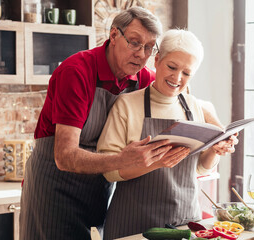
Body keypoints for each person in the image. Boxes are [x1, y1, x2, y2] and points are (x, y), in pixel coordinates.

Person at [19, 7, 191, 240]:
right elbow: (64, 156)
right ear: (113, 35)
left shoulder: (143, 78)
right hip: (54, 188)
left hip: (99, 189)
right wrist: (122, 159)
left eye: (150, 47)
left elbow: (184, 99)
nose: (141, 54)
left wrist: (217, 134)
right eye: (134, 42)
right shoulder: (77, 71)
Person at [97, 29, 238, 239]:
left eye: (187, 73)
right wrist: (154, 163)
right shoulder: (126, 105)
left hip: (185, 222)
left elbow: (199, 167)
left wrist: (216, 150)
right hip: (134, 224)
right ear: (157, 60)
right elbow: (109, 171)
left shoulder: (193, 107)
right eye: (172, 67)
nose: (177, 77)